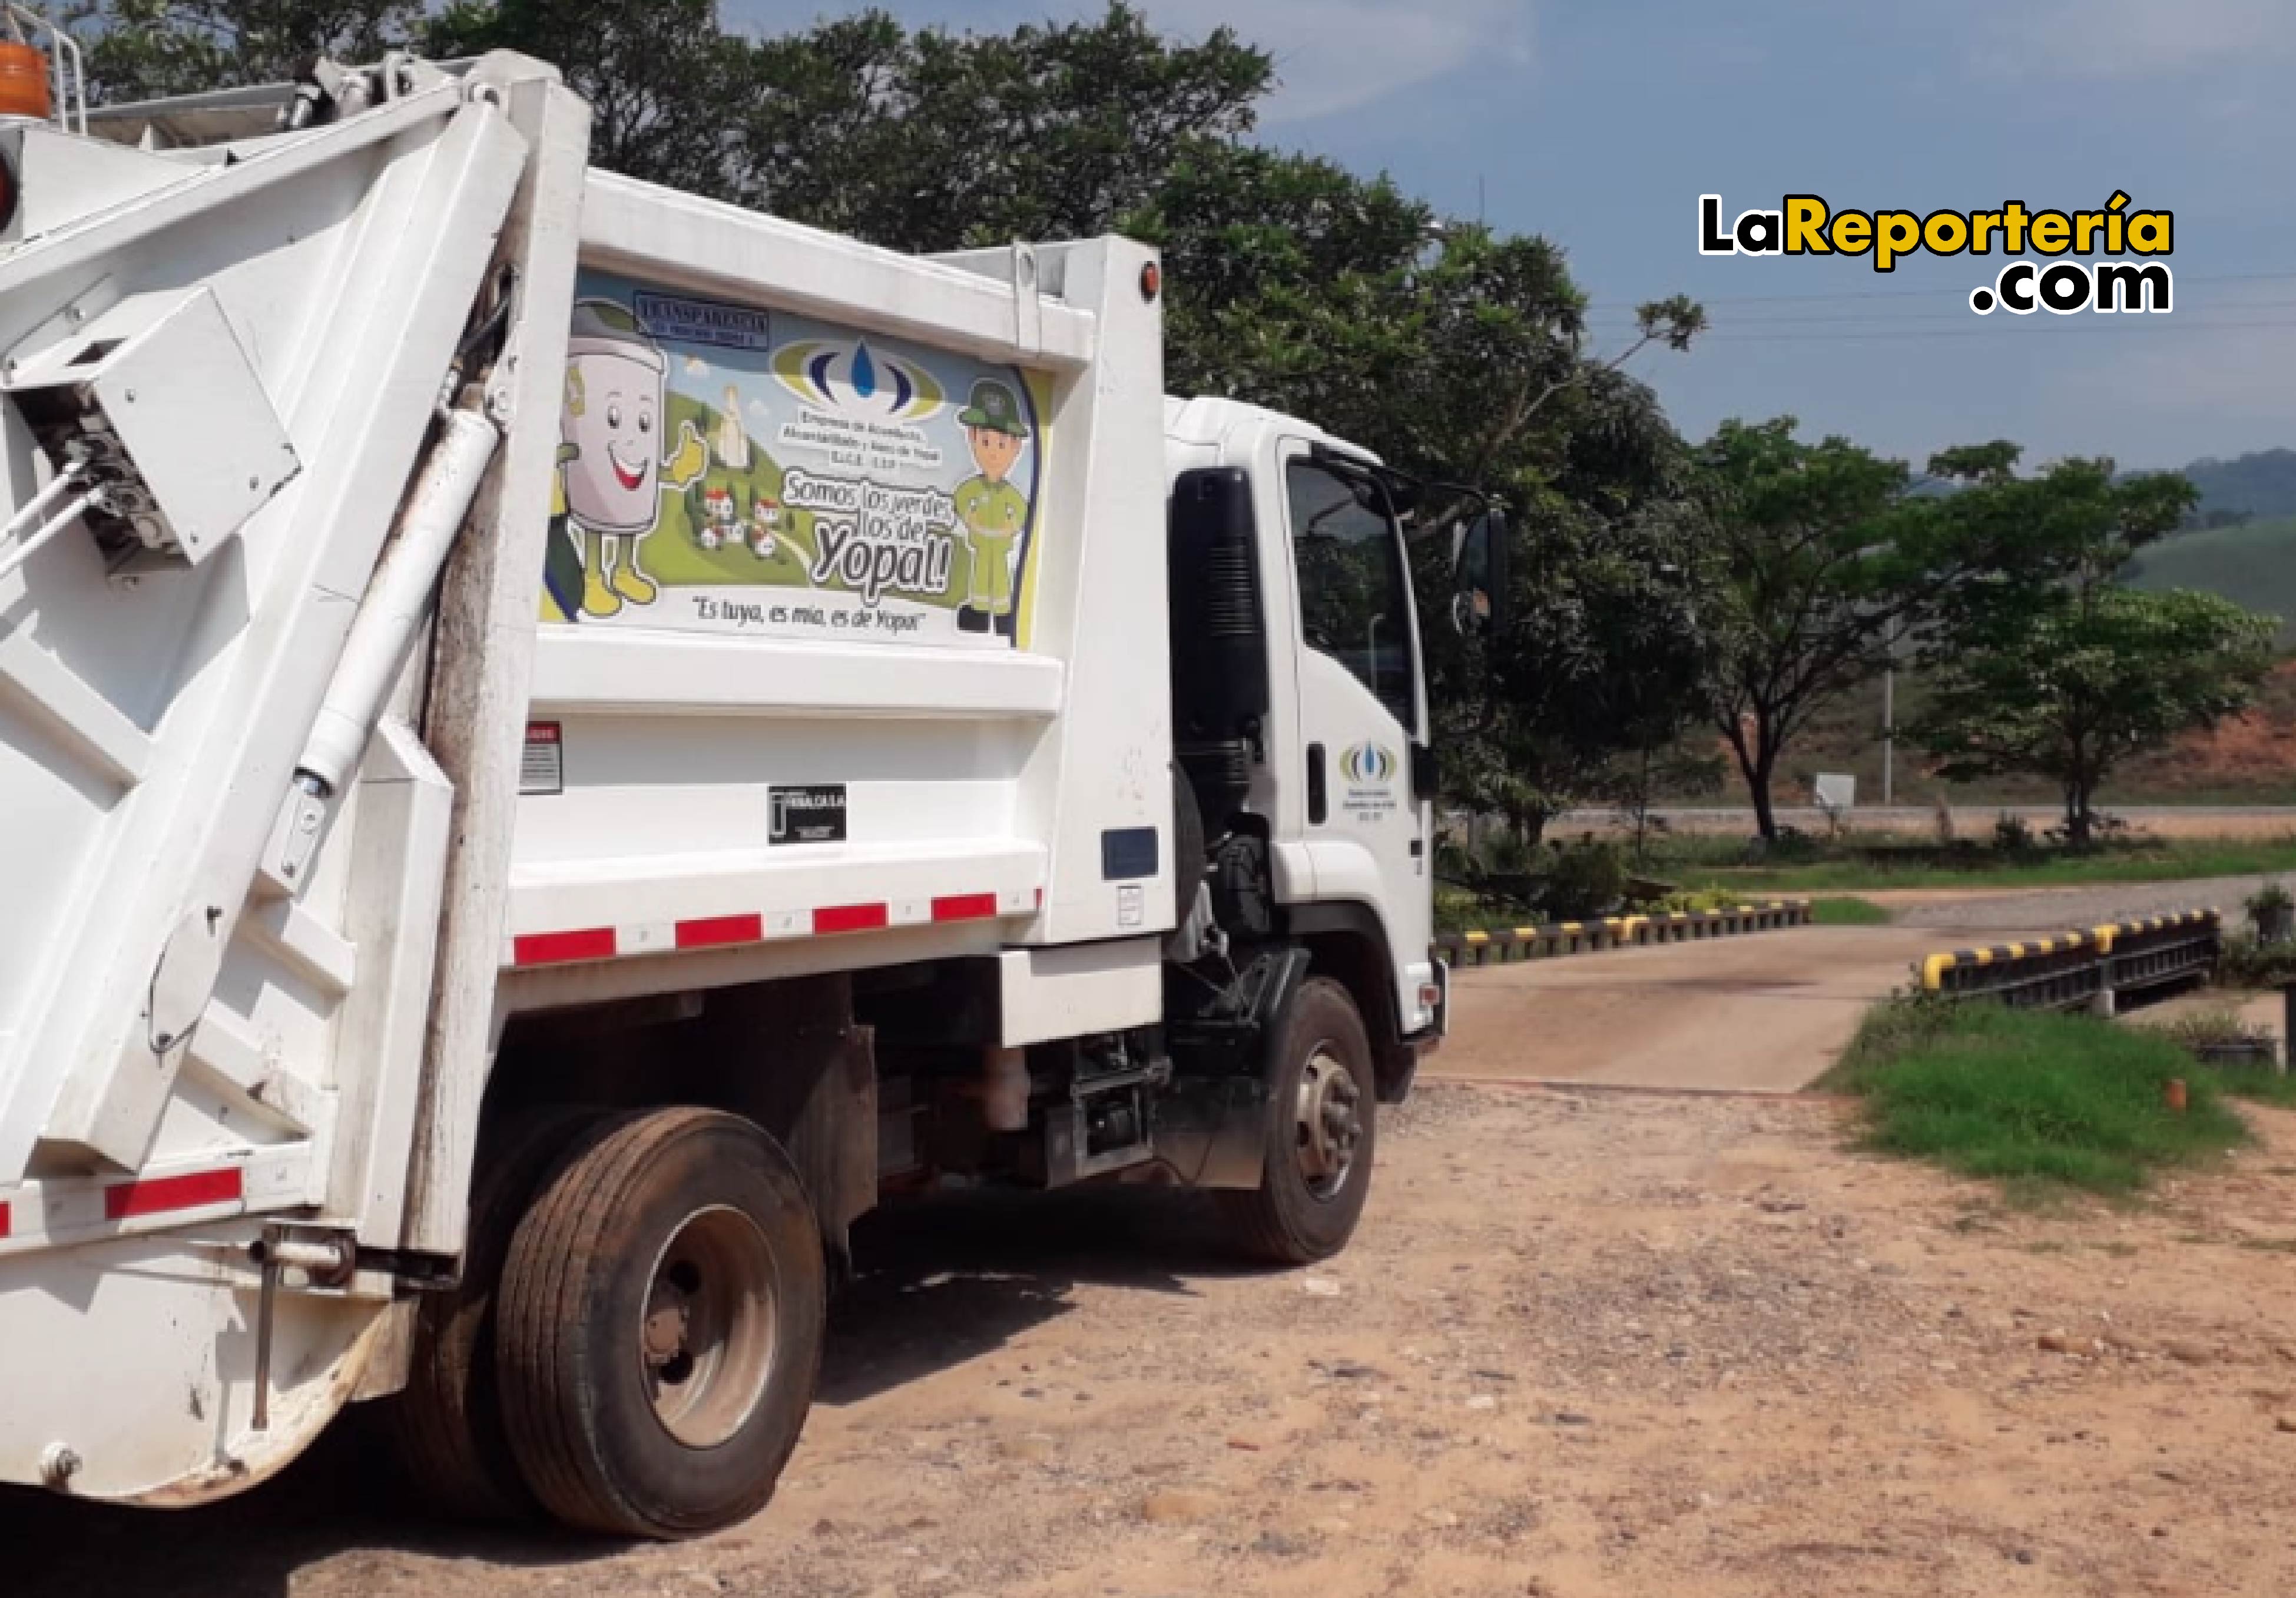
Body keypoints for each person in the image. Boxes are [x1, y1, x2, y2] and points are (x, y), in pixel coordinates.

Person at [950, 378, 1032, 637]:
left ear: (1016, 448)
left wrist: (1014, 524)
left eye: (1002, 445)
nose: (994, 454)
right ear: (973, 439)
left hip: (1000, 545)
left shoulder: (1010, 493)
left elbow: (1021, 509)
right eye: (986, 442)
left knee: (1000, 579)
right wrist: (969, 515)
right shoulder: (974, 487)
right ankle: (979, 611)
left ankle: (1002, 614)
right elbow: (962, 498)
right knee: (980, 576)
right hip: (982, 543)